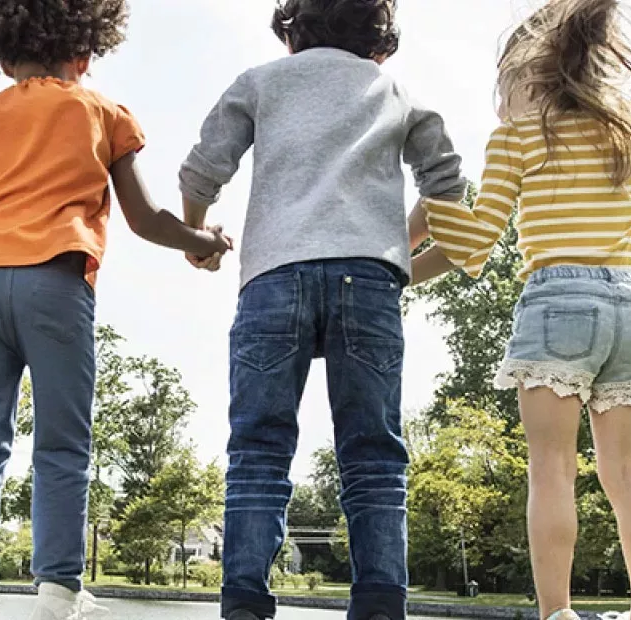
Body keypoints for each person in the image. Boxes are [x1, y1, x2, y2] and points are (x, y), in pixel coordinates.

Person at [411, 1, 631, 618]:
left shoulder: (517, 137)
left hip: (557, 302)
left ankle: (557, 612)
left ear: (532, 75)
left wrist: (428, 217)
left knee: (552, 469)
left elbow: (476, 242)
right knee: (627, 471)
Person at [0, 1, 233, 618]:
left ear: (0, 54)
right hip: (55, 280)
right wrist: (205, 242)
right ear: (85, 52)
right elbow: (145, 217)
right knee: (61, 443)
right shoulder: (104, 112)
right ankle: (57, 589)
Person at [179, 1, 470, 619]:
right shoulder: (394, 90)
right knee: (373, 450)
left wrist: (197, 236)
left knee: (258, 445)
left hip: (271, 277)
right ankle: (380, 604)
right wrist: (394, 239)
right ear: (380, 42)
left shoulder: (262, 80)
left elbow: (203, 170)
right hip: (367, 281)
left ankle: (245, 603)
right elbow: (446, 186)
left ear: (293, 31)